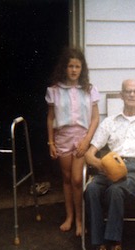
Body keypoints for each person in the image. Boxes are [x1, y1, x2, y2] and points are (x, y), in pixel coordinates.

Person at [84, 79, 135, 250]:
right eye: (128, 91)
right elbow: (89, 154)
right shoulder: (109, 122)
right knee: (92, 189)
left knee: (115, 190)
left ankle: (114, 243)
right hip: (111, 166)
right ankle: (99, 244)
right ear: (121, 95)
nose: (132, 95)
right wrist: (100, 165)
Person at [45, 47, 100, 236]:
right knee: (67, 179)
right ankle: (70, 217)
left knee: (78, 179)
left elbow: (95, 118)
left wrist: (87, 140)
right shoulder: (54, 90)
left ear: (82, 68)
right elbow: (50, 118)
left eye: (77, 66)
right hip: (62, 137)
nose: (74, 70)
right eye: (70, 66)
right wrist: (51, 142)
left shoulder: (89, 90)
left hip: (82, 137)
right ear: (64, 68)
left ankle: (80, 219)